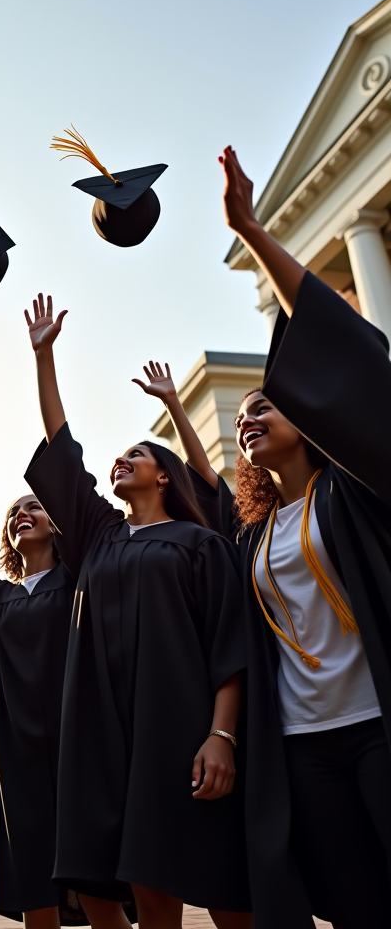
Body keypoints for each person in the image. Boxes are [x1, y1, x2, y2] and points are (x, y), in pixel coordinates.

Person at [181, 146, 391, 929]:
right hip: (302, 743)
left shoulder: (359, 493)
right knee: (352, 906)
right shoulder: (254, 536)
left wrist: (253, 232)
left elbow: (360, 363)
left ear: (313, 416)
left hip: (376, 724)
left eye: (266, 407)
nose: (249, 417)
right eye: (242, 417)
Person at [22, 292, 251, 929]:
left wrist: (222, 735)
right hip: (105, 737)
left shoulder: (199, 544)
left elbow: (229, 643)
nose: (121, 460)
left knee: (227, 887)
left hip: (180, 730)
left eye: (138, 456)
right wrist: (44, 356)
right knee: (137, 886)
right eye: (118, 456)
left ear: (164, 477)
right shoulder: (98, 536)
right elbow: (61, 447)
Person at [0, 506, 131, 929]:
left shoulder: (80, 578)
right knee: (34, 891)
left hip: (80, 744)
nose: (21, 515)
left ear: (56, 523)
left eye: (35, 507)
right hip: (18, 750)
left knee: (96, 889)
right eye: (14, 513)